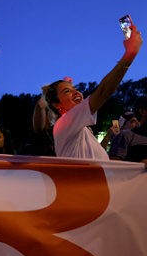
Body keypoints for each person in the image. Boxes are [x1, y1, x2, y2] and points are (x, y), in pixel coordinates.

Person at [43, 21, 142, 160]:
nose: (76, 92)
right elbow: (103, 92)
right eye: (67, 91)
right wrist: (130, 54)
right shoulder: (63, 124)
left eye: (75, 89)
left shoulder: (82, 130)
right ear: (56, 104)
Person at [109, 96, 147, 162]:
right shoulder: (124, 136)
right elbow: (115, 167)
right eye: (132, 121)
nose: (136, 123)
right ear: (142, 112)